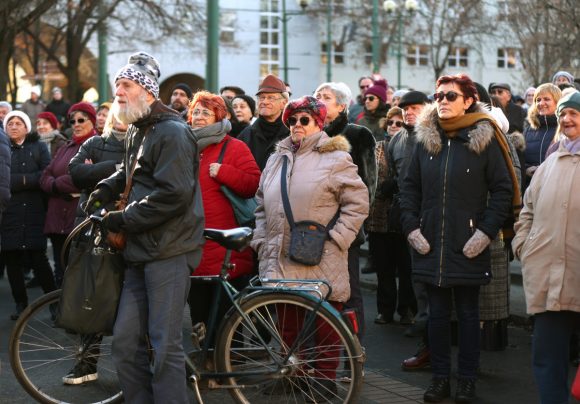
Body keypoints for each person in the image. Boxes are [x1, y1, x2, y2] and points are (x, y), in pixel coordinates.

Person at [84, 52, 204, 403]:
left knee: (164, 345)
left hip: (169, 250)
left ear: (148, 93)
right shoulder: (141, 128)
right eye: (117, 85)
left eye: (126, 85)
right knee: (123, 343)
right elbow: (132, 171)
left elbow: (174, 194)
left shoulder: (173, 132)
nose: (117, 92)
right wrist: (106, 186)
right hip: (141, 249)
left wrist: (120, 218)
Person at [400, 73, 516, 403]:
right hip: (430, 241)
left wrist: (485, 232)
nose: (442, 101)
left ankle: (466, 380)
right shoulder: (425, 138)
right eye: (439, 96)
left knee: (467, 316)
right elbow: (409, 188)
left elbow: (502, 190)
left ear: (468, 100)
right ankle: (440, 380)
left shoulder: (485, 137)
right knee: (436, 317)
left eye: (450, 96)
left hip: (468, 244)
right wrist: (411, 228)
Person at [251, 95, 368, 400]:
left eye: (304, 119)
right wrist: (261, 239)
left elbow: (357, 203)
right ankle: (295, 373)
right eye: (291, 120)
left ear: (319, 122)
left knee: (325, 321)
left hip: (321, 256)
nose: (296, 125)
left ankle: (325, 380)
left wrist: (338, 238)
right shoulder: (276, 158)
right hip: (280, 252)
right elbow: (262, 204)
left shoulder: (336, 157)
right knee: (288, 320)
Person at [512, 91, 580, 404]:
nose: (566, 120)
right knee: (547, 361)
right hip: (549, 278)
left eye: (574, 114)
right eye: (564, 114)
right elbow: (527, 211)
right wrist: (523, 246)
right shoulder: (550, 161)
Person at [186, 91, 260, 337]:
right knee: (200, 321)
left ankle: (230, 370)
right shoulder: (182, 145)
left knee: (228, 324)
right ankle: (208, 369)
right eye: (196, 111)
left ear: (219, 117)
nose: (198, 117)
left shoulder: (234, 146)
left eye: (206, 113)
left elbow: (253, 184)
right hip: (191, 246)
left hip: (226, 249)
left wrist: (225, 172)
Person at [314, 81, 377, 339]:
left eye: (326, 97)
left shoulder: (358, 135)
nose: (319, 100)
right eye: (317, 96)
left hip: (343, 232)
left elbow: (367, 187)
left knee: (349, 293)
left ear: (342, 106)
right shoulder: (308, 134)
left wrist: (347, 229)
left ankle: (354, 354)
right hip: (312, 229)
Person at [1, 111, 56, 320]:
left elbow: (45, 175)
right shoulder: (3, 148)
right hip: (9, 211)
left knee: (38, 258)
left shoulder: (39, 147)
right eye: (10, 123)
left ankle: (53, 303)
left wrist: (17, 181)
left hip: (34, 210)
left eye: (19, 123)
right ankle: (20, 304)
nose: (14, 126)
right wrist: (27, 180)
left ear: (26, 127)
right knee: (11, 258)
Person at [40, 102, 98, 288]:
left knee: (79, 270)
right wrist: (58, 185)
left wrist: (59, 182)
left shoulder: (98, 145)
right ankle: (58, 309)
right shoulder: (65, 146)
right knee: (60, 267)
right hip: (57, 217)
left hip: (80, 217)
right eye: (72, 121)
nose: (76, 124)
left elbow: (90, 177)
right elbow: (45, 176)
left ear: (92, 121)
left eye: (81, 119)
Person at [386, 90, 429, 338]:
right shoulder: (396, 140)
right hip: (409, 214)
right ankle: (422, 320)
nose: (409, 112)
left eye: (415, 107)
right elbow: (396, 175)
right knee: (415, 271)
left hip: (434, 211)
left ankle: (438, 324)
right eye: (406, 108)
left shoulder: (436, 134)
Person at [238, 74, 289, 170]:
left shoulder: (293, 133)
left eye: (271, 98)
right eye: (262, 97)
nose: (264, 102)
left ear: (284, 103)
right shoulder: (246, 135)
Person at [523, 83, 562, 188]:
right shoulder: (528, 130)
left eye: (546, 99)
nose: (541, 103)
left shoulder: (564, 129)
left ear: (558, 102)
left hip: (556, 188)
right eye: (538, 100)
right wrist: (527, 169)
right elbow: (520, 159)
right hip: (530, 188)